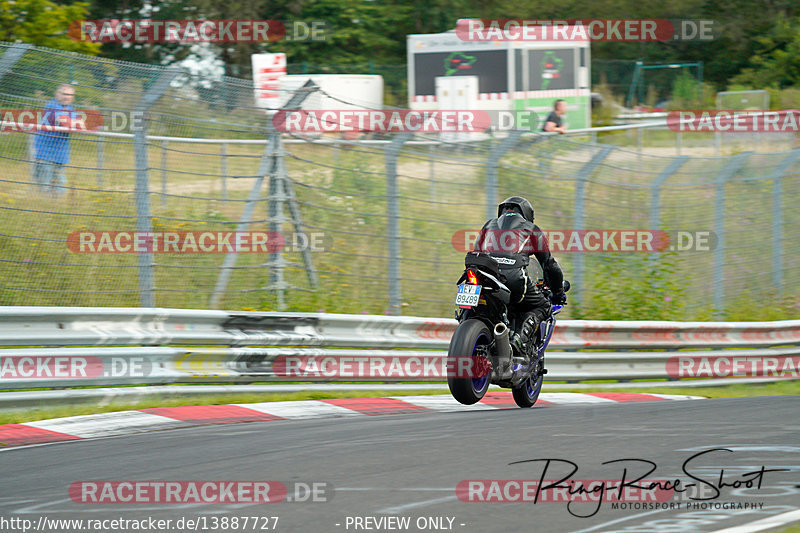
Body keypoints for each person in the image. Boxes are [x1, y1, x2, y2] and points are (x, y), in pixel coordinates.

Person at [473, 196, 565, 359]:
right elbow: (549, 265)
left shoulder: (488, 225)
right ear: (526, 213)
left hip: (481, 275)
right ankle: (519, 340)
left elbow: (476, 252)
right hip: (513, 278)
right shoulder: (531, 228)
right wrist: (558, 292)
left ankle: (470, 327)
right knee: (543, 307)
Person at [33, 84, 78, 197]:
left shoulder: (70, 109)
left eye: (70, 95)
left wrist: (74, 124)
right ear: (57, 94)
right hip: (45, 157)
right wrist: (74, 123)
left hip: (60, 157)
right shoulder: (52, 106)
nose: (67, 97)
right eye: (64, 94)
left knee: (60, 190)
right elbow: (66, 123)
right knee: (45, 190)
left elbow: (82, 125)